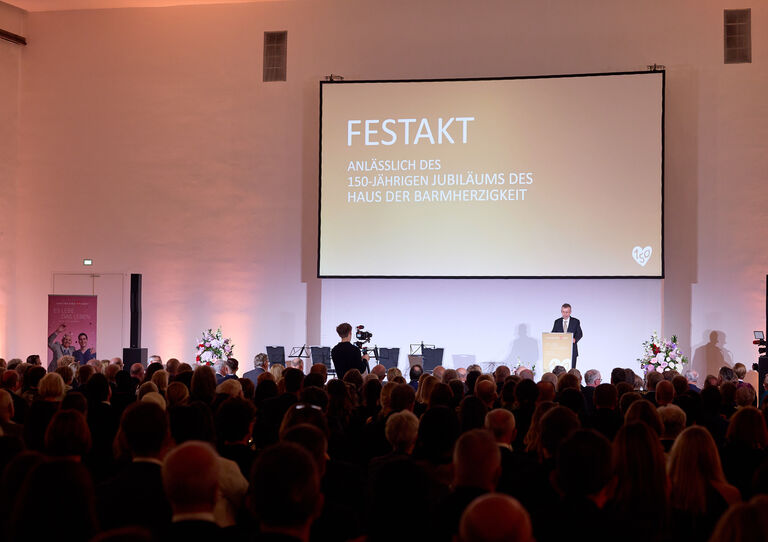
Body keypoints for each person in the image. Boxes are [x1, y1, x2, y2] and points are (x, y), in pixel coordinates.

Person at [551, 303, 583, 369]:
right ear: (561, 312)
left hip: (572, 350)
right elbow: (553, 334)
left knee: (571, 371)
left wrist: (575, 339)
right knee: (559, 371)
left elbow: (580, 333)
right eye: (563, 312)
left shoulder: (576, 321)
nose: (565, 314)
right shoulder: (557, 322)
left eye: (567, 312)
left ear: (570, 312)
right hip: (559, 350)